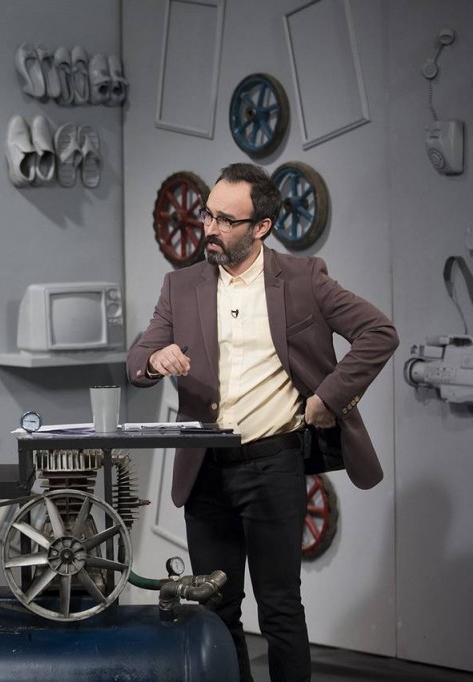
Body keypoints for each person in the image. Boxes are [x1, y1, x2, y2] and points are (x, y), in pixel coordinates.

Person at [126, 163, 397, 682]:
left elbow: (378, 333)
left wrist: (330, 396)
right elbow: (137, 358)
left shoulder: (302, 278)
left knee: (279, 608)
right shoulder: (180, 286)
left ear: (261, 228)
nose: (209, 228)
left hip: (272, 464)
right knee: (215, 609)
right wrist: (155, 360)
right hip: (205, 470)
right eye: (208, 214)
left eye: (226, 220)